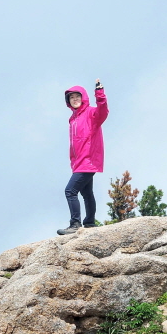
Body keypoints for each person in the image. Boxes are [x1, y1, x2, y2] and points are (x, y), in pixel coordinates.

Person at [58, 80, 108, 235]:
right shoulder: (73, 119)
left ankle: (75, 224)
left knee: (70, 191)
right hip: (78, 163)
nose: (74, 99)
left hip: (88, 161)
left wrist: (99, 93)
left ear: (83, 97)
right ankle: (90, 223)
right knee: (87, 193)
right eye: (71, 98)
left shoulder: (92, 113)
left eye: (77, 97)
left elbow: (103, 111)